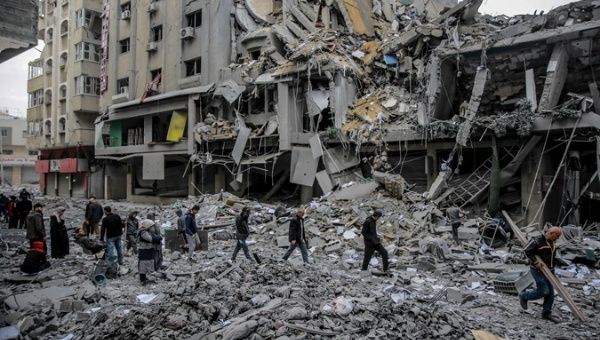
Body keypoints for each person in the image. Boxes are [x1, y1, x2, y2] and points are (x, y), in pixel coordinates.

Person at [519, 226, 562, 323]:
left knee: (550, 293)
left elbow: (551, 256)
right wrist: (535, 262)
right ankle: (524, 296)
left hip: (549, 270)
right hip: (538, 270)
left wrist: (554, 268)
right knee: (544, 291)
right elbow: (527, 250)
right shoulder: (537, 240)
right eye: (556, 236)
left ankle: (546, 313)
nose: (557, 239)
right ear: (551, 233)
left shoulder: (551, 242)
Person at [138, 219, 162, 285]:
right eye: (151, 226)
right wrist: (158, 238)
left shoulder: (148, 232)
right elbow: (150, 239)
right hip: (144, 250)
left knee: (150, 263)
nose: (153, 228)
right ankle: (143, 280)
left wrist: (158, 238)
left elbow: (155, 237)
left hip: (149, 250)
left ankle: (147, 278)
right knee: (143, 266)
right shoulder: (143, 232)